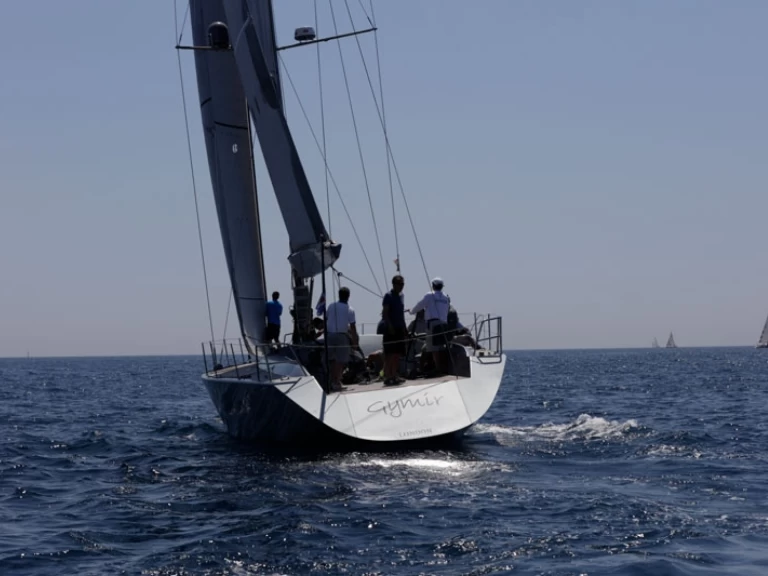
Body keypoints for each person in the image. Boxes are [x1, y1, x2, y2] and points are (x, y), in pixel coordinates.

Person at [410, 277, 451, 374]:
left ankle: (437, 368)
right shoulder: (446, 297)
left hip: (433, 323)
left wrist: (411, 311)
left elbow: (419, 305)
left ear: (432, 285)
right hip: (444, 324)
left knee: (433, 347)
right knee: (441, 345)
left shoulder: (429, 295)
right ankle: (442, 367)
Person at [325, 287, 358, 392]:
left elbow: (326, 319)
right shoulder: (350, 309)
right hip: (341, 336)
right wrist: (355, 342)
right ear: (348, 296)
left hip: (329, 335)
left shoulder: (331, 306)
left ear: (339, 295)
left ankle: (331, 381)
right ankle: (336, 382)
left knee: (331, 360)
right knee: (341, 360)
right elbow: (352, 327)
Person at [381, 275, 407, 386]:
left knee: (397, 354)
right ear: (394, 284)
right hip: (391, 329)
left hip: (400, 328)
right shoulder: (388, 296)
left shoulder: (401, 297)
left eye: (402, 284)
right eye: (399, 284)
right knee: (390, 354)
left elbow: (401, 315)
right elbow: (385, 313)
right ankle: (388, 376)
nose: (401, 286)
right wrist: (390, 326)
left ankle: (394, 375)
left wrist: (405, 328)